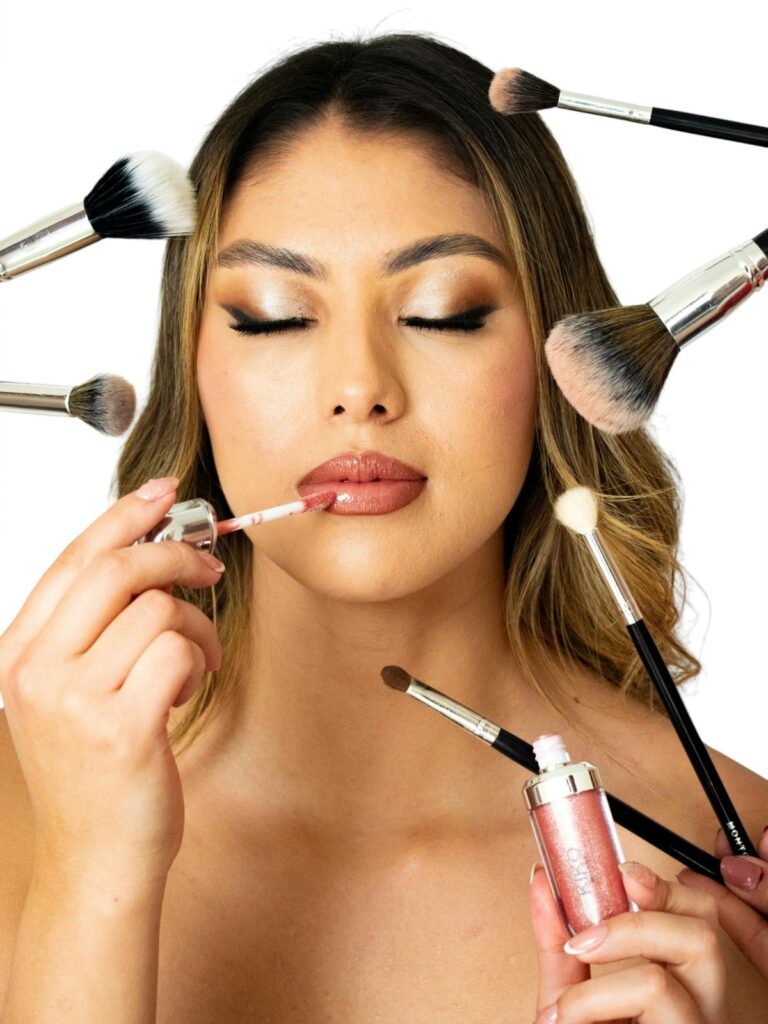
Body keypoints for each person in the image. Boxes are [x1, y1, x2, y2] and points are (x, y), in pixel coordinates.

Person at [0, 31, 766, 1023]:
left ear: (557, 362)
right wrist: (92, 880)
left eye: (444, 313)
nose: (360, 388)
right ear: (193, 370)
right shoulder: (31, 811)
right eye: (276, 315)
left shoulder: (727, 855)